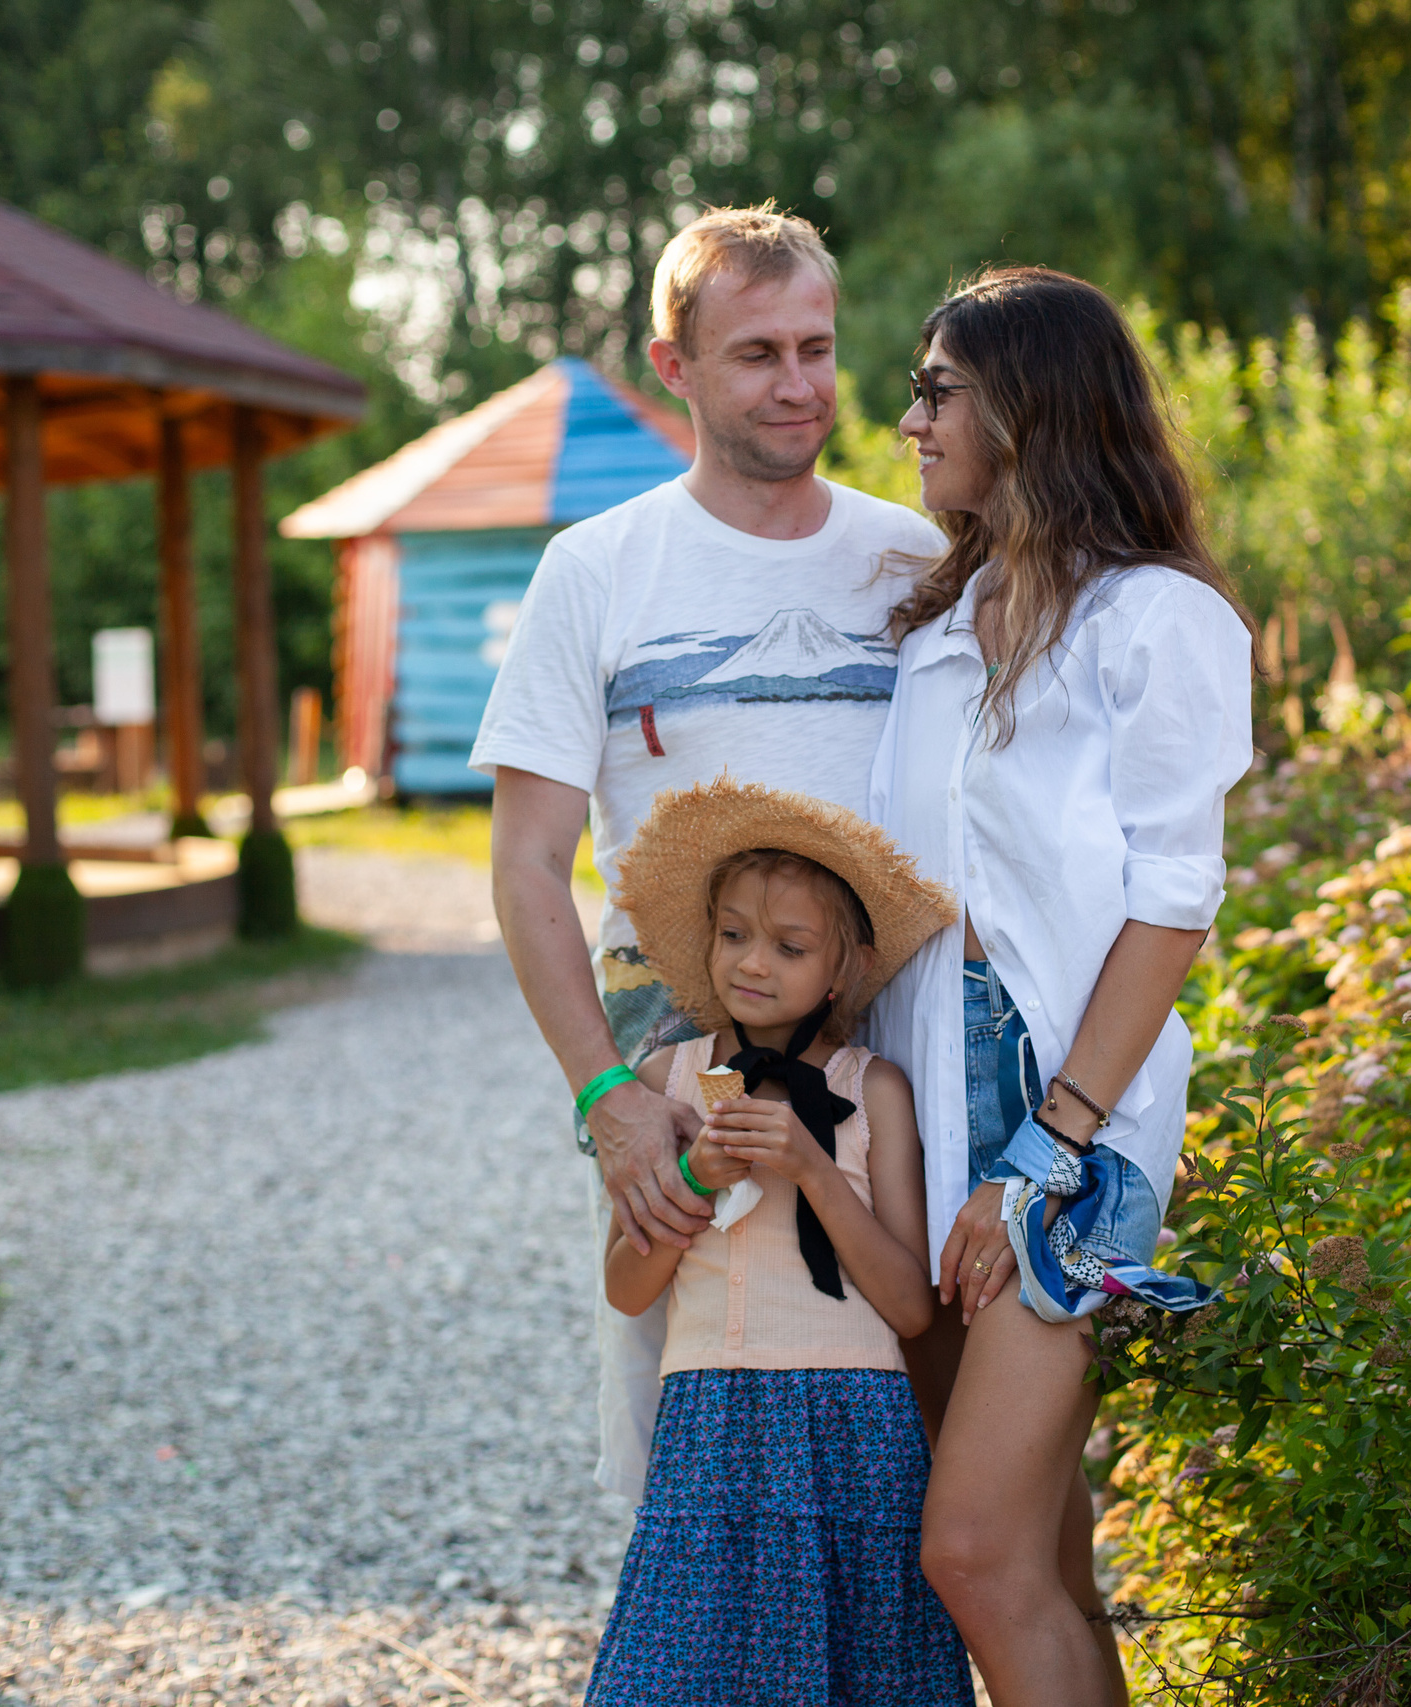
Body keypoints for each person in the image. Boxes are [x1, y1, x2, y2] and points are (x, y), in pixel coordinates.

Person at [475, 205, 943, 1497]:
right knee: (686, 1431)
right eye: (757, 354)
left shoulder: (916, 557)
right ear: (672, 363)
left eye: (818, 346)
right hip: (686, 1064)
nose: (799, 384)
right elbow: (526, 868)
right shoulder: (598, 569)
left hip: (902, 1056)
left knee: (922, 1426)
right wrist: (605, 1095)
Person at [865, 267, 1256, 1706]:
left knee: (967, 1549)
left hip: (1064, 1109)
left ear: (1028, 410)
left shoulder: (1154, 621)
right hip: (923, 1095)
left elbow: (1174, 898)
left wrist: (1050, 1144)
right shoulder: (938, 625)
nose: (910, 420)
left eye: (939, 389)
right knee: (1039, 1553)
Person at [584, 777, 970, 1707]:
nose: (753, 963)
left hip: (854, 1421)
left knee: (857, 1674)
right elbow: (628, 1288)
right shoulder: (665, 1082)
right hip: (710, 1417)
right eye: (733, 935)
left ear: (841, 969)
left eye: (790, 946)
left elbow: (912, 1305)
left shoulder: (872, 1090)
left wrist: (812, 1167)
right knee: (679, 1672)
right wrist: (689, 1179)